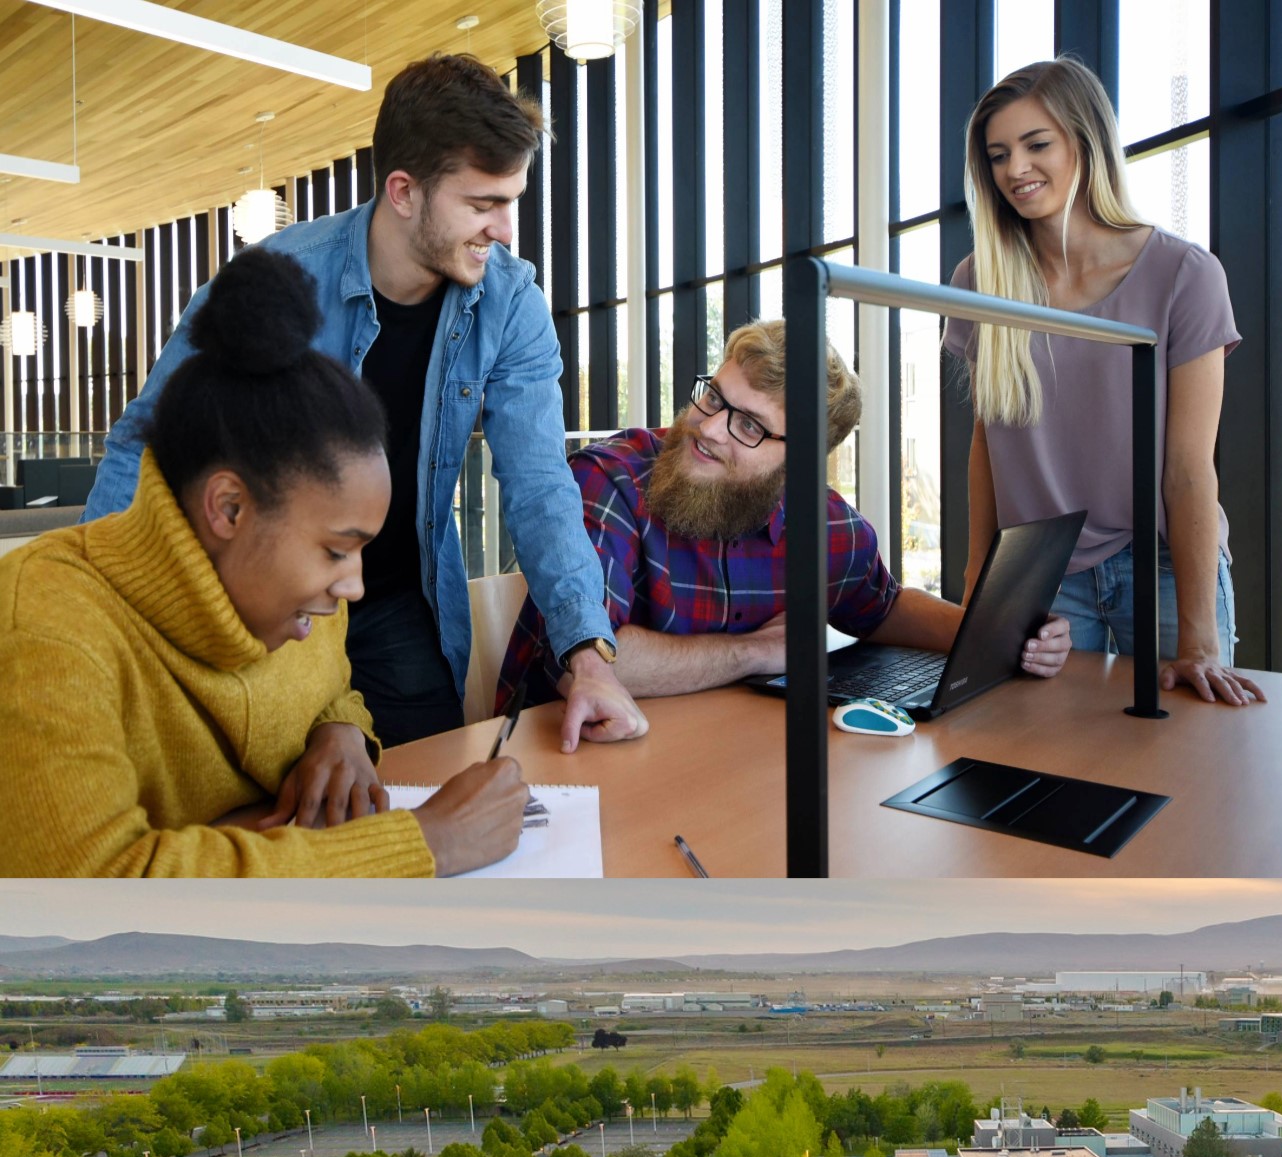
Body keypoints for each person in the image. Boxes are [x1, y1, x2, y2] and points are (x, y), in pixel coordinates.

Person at [82, 54, 645, 753]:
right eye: (481, 204)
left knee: (424, 788)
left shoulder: (511, 306)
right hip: (267, 602)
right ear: (404, 191)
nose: (505, 230)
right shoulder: (277, 279)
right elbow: (145, 443)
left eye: (512, 201)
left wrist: (587, 653)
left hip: (397, 606)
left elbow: (540, 487)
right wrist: (97, 621)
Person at [0, 249, 530, 877]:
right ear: (228, 508)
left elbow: (330, 688)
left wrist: (341, 733)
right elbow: (95, 887)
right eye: (336, 550)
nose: (355, 586)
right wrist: (426, 844)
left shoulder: (294, 603)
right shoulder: (45, 621)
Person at [494, 322, 1071, 706]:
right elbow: (588, 663)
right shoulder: (610, 479)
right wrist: (757, 652)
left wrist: (1005, 636)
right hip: (562, 762)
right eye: (715, 397)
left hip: (706, 762)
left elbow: (884, 605)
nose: (709, 427)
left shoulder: (820, 524)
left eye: (749, 425)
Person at [945, 56, 1265, 706]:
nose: (1015, 169)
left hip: (1167, 566)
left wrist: (1200, 635)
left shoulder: (1185, 276)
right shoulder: (980, 282)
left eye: (1037, 145)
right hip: (1040, 574)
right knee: (1046, 762)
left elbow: (1187, 469)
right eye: (999, 154)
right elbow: (988, 442)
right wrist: (980, 579)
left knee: (1190, 759)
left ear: (1087, 145)